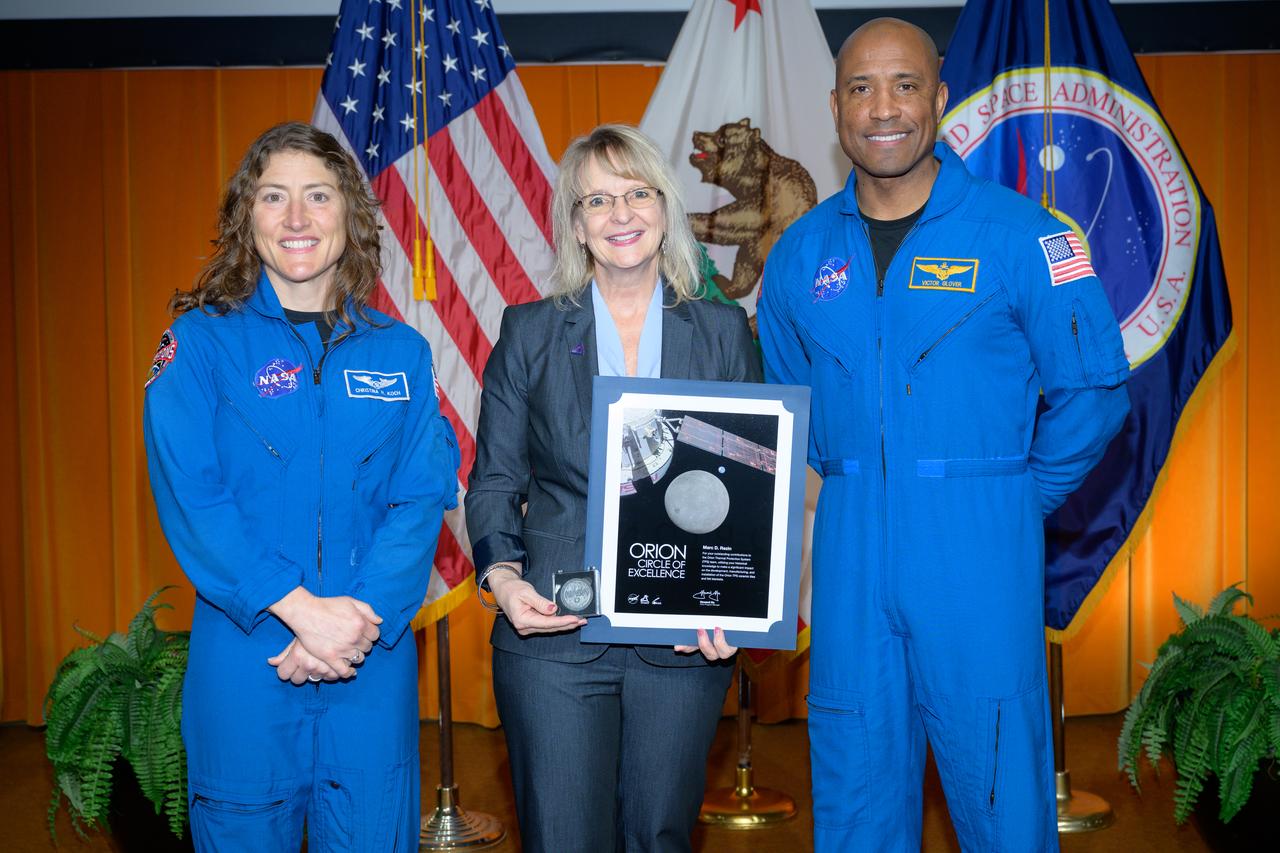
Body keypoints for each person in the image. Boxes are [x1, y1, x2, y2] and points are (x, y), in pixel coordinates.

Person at [757, 18, 1130, 852]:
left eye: (904, 85)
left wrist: (1012, 497)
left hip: (980, 554)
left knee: (1000, 794)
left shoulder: (1025, 235)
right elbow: (791, 399)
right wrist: (858, 483)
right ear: (836, 107)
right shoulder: (800, 253)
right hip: (851, 559)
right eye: (861, 87)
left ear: (940, 98)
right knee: (853, 794)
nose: (883, 107)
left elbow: (1096, 393)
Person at [143, 122, 460, 852]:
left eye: (317, 196)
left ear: (348, 216)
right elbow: (195, 498)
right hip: (248, 652)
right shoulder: (197, 345)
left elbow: (420, 497)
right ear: (244, 220)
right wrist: (299, 611)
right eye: (273, 197)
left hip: (369, 659)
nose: (296, 218)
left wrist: (353, 621)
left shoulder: (401, 353)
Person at [465, 124, 760, 853]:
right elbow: (495, 479)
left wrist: (740, 605)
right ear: (577, 224)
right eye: (598, 200)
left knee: (660, 835)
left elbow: (750, 485)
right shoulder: (529, 331)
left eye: (637, 193)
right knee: (564, 837)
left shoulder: (724, 331)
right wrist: (502, 578)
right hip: (554, 635)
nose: (621, 213)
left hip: (685, 641)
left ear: (665, 209)